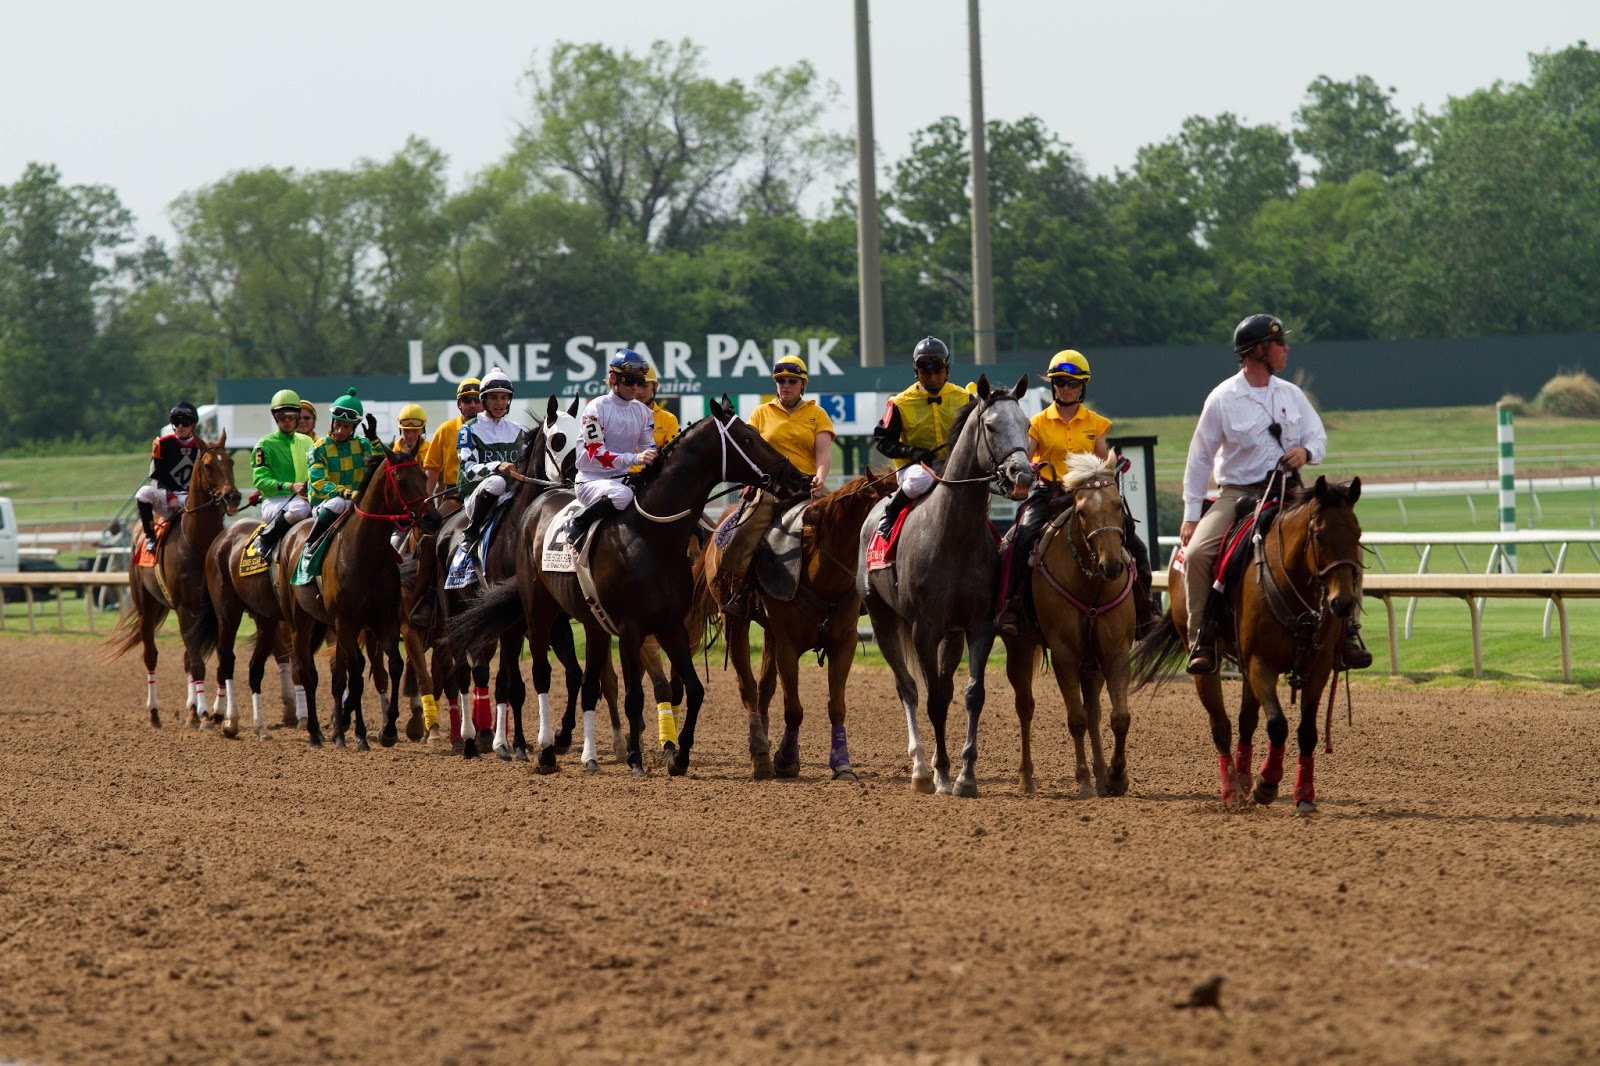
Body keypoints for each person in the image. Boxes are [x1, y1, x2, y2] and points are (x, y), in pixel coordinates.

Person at [1180, 314, 1369, 673]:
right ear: (1260, 352)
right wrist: (1191, 516)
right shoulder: (1222, 399)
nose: (1286, 349)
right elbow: (1200, 456)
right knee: (1196, 555)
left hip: (1292, 494)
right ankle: (1202, 638)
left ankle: (1347, 634)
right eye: (1280, 344)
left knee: (1346, 544)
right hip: (1237, 494)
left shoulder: (1292, 394)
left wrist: (1306, 453)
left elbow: (1318, 437)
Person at [993, 351, 1112, 638]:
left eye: (1072, 382)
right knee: (1020, 539)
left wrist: (1111, 472)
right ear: (1053, 386)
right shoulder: (1038, 423)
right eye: (1060, 382)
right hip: (1048, 493)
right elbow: (1027, 457)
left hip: (1086, 495)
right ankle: (1010, 606)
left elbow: (1106, 462)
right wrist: (1025, 475)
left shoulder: (1097, 423)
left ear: (1083, 386)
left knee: (1130, 538)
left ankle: (1145, 608)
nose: (1066, 388)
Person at [713, 355, 836, 616]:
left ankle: (849, 594)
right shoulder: (760, 413)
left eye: (792, 381)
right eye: (781, 381)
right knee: (745, 530)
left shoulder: (818, 414)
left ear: (803, 384)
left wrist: (821, 477)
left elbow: (823, 454)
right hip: (770, 488)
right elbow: (750, 451)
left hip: (806, 487)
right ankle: (739, 591)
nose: (786, 385)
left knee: (842, 527)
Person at [872, 337, 970, 538]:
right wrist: (911, 452)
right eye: (926, 372)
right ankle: (889, 512)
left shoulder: (966, 399)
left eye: (938, 371)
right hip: (914, 469)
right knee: (922, 478)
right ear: (916, 372)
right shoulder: (899, 402)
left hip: (954, 467)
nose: (932, 377)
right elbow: (883, 441)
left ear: (947, 370)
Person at [563, 350, 657, 548]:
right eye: (629, 381)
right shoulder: (596, 408)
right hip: (591, 481)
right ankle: (578, 521)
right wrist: (636, 459)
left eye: (639, 382)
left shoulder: (644, 412)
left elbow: (649, 448)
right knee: (623, 496)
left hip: (622, 480)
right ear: (613, 378)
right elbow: (597, 455)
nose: (635, 388)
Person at [457, 369, 530, 562]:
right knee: (496, 482)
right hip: (478, 498)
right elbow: (468, 472)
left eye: (504, 398)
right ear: (484, 400)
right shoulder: (469, 429)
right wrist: (496, 465)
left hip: (511, 497)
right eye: (494, 397)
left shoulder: (517, 430)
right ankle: (471, 533)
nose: (499, 403)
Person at [303, 389, 381, 546]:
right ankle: (311, 544)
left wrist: (374, 440)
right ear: (332, 422)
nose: (340, 431)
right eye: (337, 424)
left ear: (353, 427)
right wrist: (346, 492)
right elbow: (319, 482)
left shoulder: (363, 445)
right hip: (325, 504)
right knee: (338, 503)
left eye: (346, 427)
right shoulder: (319, 448)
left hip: (356, 502)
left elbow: (384, 465)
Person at [252, 389, 316, 557]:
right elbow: (260, 480)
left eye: (292, 416)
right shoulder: (264, 445)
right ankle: (266, 537)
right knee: (301, 509)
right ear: (275, 417)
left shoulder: (308, 441)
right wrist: (291, 486)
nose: (287, 421)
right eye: (282, 417)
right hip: (276, 501)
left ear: (297, 417)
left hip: (304, 498)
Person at [134, 402, 202, 552]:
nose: (180, 426)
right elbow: (154, 476)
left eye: (185, 422)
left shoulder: (202, 446)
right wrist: (169, 495)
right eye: (176, 422)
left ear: (193, 424)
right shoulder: (161, 444)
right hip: (167, 498)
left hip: (194, 499)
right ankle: (150, 536)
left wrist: (194, 495)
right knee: (143, 493)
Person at [424, 378, 483, 511]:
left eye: (477, 400)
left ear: (484, 402)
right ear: (459, 404)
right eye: (467, 400)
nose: (473, 405)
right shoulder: (445, 429)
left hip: (487, 491)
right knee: (435, 529)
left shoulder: (495, 428)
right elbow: (432, 468)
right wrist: (426, 500)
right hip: (455, 494)